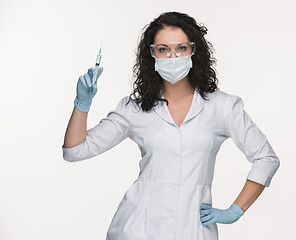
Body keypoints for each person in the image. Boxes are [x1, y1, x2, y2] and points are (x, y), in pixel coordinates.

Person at [62, 11, 280, 240]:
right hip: (137, 229)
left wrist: (236, 210)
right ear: (152, 55)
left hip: (193, 230)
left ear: (194, 51)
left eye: (181, 48)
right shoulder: (134, 109)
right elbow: (74, 151)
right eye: (163, 49)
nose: (173, 56)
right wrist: (83, 103)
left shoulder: (222, 107)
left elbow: (266, 158)